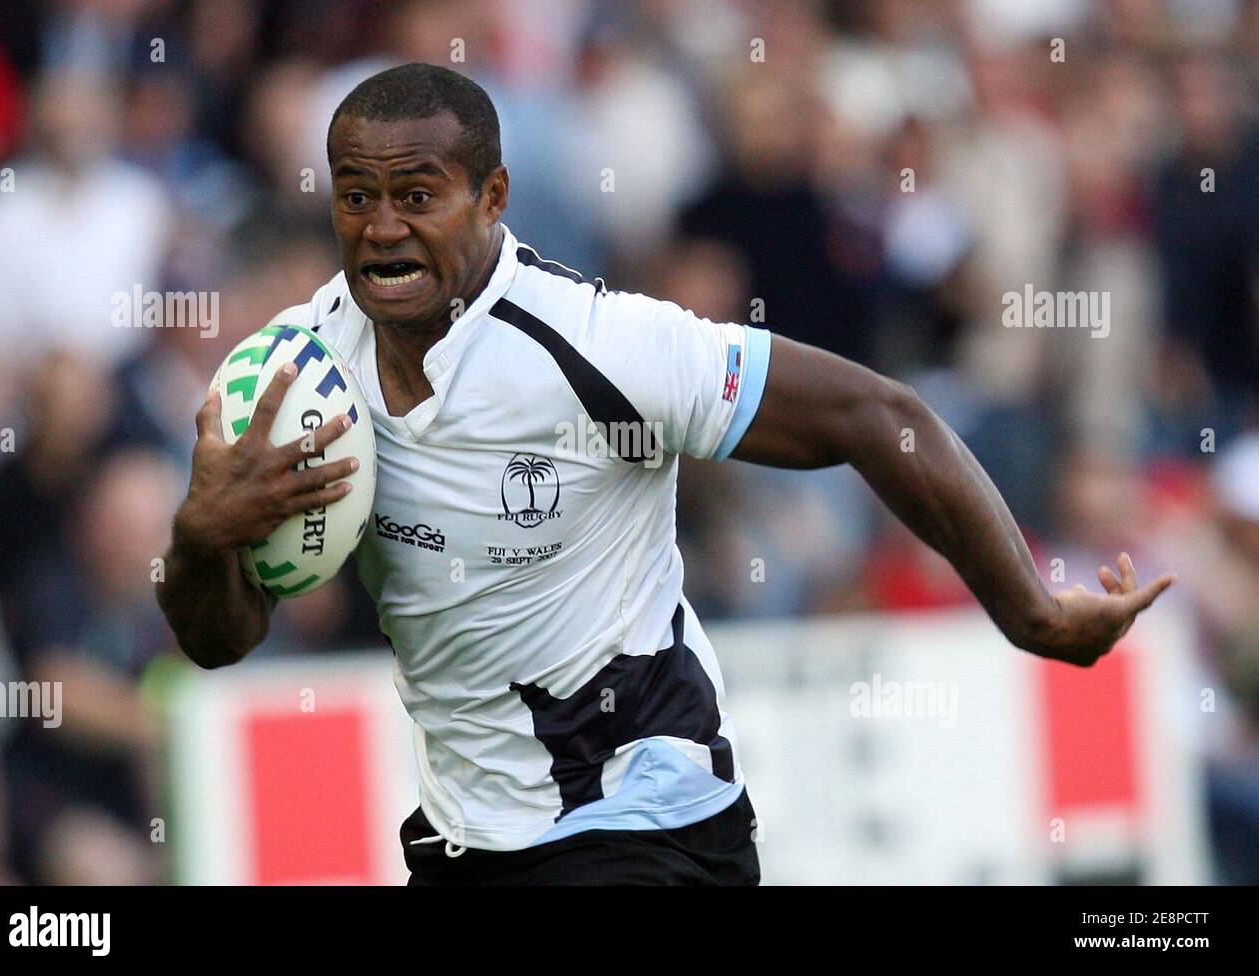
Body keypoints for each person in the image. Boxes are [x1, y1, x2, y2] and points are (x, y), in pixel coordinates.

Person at [156, 63, 1175, 886]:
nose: (381, 227)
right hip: (467, 844)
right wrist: (203, 535)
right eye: (356, 197)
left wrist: (1030, 614)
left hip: (647, 822)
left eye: (416, 196)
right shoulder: (296, 377)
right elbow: (221, 641)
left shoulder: (598, 345)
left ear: (491, 197)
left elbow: (882, 415)